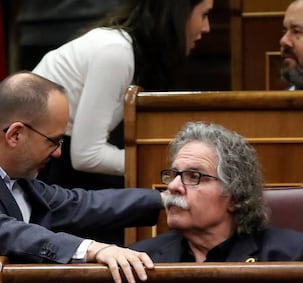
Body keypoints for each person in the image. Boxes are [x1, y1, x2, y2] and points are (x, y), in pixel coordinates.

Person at [0, 71, 165, 283]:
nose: (58, 152)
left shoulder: (22, 183)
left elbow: (82, 204)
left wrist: (165, 200)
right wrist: (93, 249)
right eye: (54, 141)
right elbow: (7, 231)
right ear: (16, 135)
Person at [31, 0, 213, 192]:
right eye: (204, 15)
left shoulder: (133, 52)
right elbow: (87, 155)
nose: (206, 27)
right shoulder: (116, 52)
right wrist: (160, 163)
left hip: (58, 162)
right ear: (180, 14)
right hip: (45, 166)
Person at [129, 122, 303, 262]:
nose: (173, 186)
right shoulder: (143, 258)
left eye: (194, 176)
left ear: (234, 196)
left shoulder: (292, 256)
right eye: (174, 174)